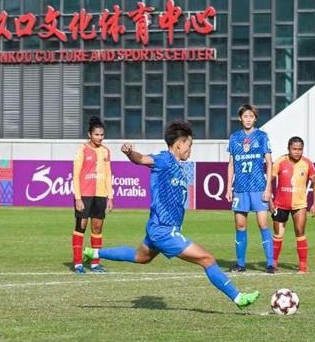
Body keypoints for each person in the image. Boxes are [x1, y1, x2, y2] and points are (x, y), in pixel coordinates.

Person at [84, 121, 260, 309]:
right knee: (207, 259)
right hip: (164, 230)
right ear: (178, 145)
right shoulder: (165, 159)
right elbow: (142, 159)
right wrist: (129, 153)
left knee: (141, 257)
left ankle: (94, 252)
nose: (190, 150)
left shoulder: (178, 166)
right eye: (189, 145)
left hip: (158, 227)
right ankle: (238, 298)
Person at [225, 104, 275, 273]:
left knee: (263, 223)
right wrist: (228, 188)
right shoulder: (234, 138)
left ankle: (270, 264)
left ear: (255, 119)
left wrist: (268, 188)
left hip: (258, 187)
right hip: (240, 188)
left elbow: (269, 163)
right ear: (240, 118)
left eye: (251, 116)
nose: (248, 119)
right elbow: (231, 164)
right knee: (240, 226)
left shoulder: (262, 136)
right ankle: (240, 264)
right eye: (245, 116)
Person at [269, 136, 315, 273]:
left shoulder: (307, 163)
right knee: (278, 234)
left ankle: (302, 265)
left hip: (299, 205)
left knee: (300, 232)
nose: (297, 152)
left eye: (300, 149)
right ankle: (273, 263)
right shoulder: (280, 161)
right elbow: (268, 182)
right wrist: (270, 201)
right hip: (280, 205)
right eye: (294, 149)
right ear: (288, 149)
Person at [71, 116, 113, 274]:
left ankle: (95, 263)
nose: (100, 137)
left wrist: (110, 196)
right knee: (80, 226)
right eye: (97, 134)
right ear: (89, 134)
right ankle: (77, 263)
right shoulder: (82, 150)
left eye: (102, 135)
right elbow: (75, 175)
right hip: (84, 195)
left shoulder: (105, 151)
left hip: (100, 195)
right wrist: (78, 198)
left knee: (97, 227)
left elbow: (108, 175)